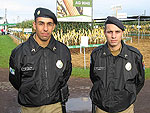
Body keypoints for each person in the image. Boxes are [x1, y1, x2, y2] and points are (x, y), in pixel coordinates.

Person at [9, 7, 72, 113]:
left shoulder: (63, 50)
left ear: (54, 26)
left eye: (49, 24)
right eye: (41, 23)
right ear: (34, 25)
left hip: (55, 106)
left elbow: (66, 75)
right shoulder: (19, 52)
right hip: (30, 108)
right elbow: (15, 80)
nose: (45, 29)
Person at [90, 16, 145, 113]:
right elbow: (94, 78)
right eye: (109, 32)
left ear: (122, 33)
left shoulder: (134, 56)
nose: (113, 36)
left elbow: (139, 81)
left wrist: (128, 95)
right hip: (101, 109)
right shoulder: (96, 55)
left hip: (125, 109)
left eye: (117, 32)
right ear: (104, 33)